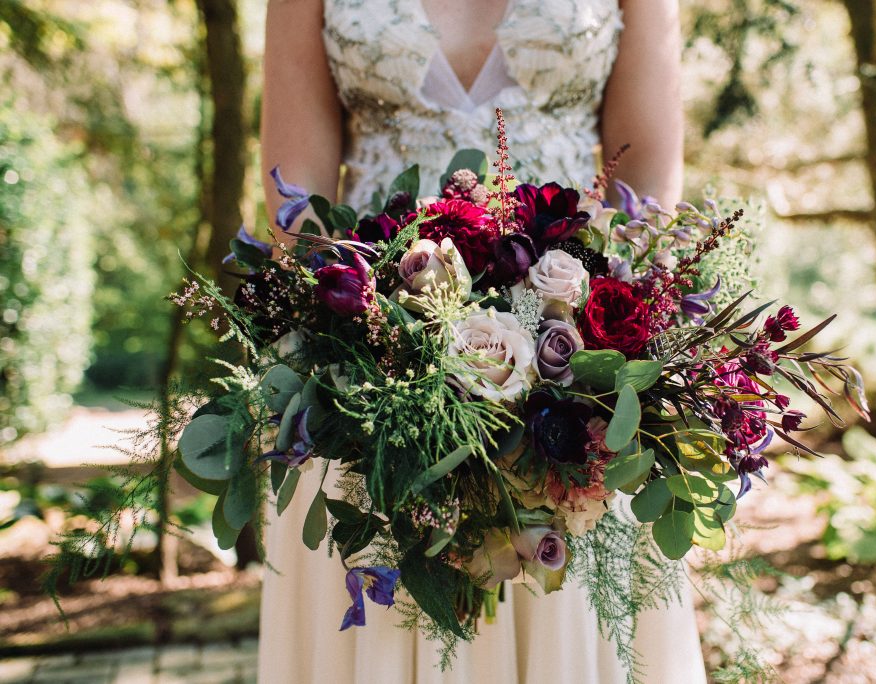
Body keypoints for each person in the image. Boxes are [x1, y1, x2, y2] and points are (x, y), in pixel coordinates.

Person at [258, 1, 705, 681]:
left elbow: (647, 198)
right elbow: (302, 212)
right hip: (370, 382)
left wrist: (572, 360)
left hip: (574, 379)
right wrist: (392, 354)